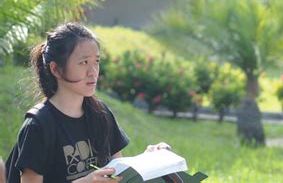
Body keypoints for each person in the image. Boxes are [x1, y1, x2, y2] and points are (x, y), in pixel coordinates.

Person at [8, 22, 170, 182]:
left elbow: (118, 173)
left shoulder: (101, 113)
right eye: (84, 62)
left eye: (96, 62)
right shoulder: (38, 125)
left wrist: (148, 161)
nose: (93, 72)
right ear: (55, 69)